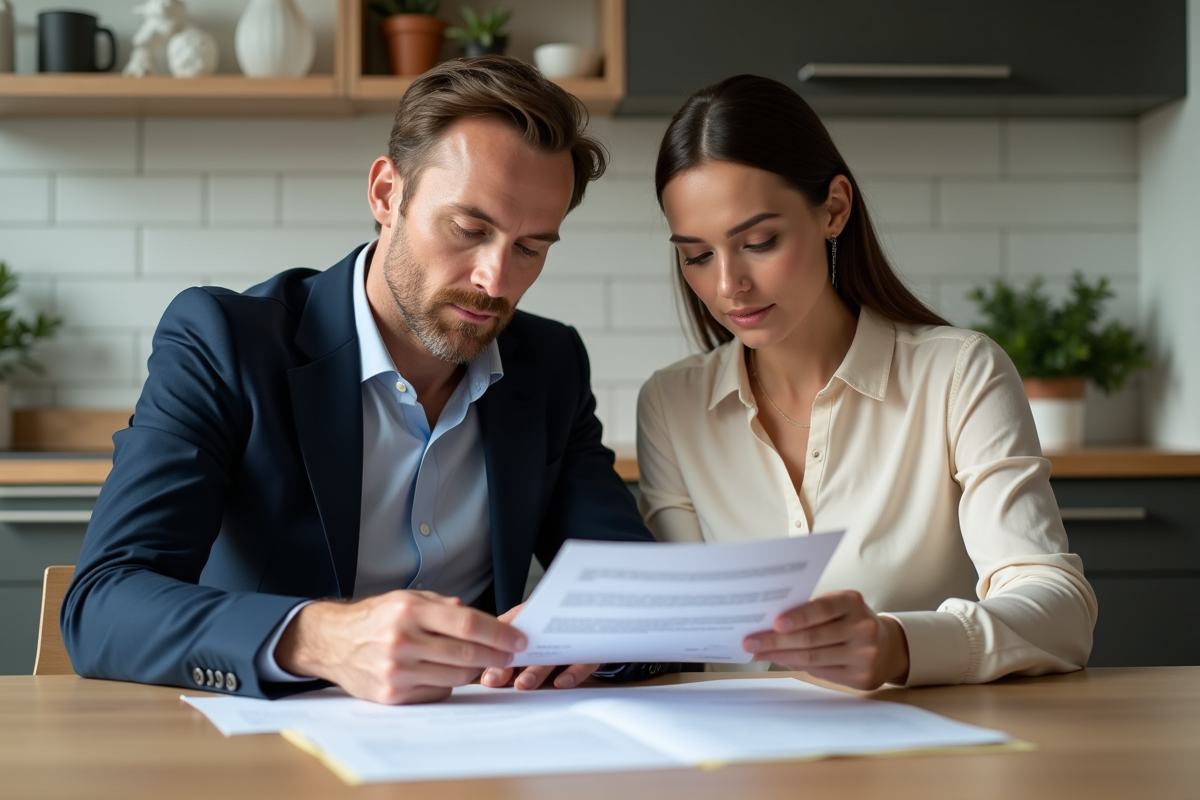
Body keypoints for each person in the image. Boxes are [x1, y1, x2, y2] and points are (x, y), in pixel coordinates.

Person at [62, 56, 655, 704]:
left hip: (478, 747)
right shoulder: (225, 341)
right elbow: (102, 604)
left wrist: (612, 637)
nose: (496, 280)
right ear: (385, 194)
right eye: (469, 229)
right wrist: (321, 638)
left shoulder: (551, 364)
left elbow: (635, 591)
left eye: (531, 248)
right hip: (263, 748)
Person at [637, 75, 1097, 690]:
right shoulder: (672, 404)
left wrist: (898, 645)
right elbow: (679, 626)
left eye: (759, 242)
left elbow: (1060, 609)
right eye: (697, 255)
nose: (727, 286)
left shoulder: (958, 374)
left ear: (834, 209)